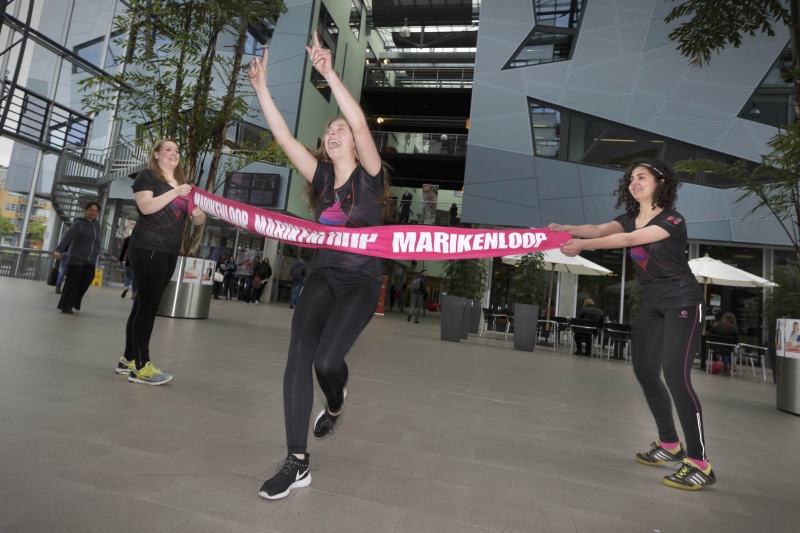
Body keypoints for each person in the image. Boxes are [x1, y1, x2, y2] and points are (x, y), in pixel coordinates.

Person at [248, 32, 391, 500]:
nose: (333, 133)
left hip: (362, 281)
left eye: (340, 129)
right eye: (329, 130)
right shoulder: (322, 176)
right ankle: (297, 460)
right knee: (298, 356)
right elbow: (285, 138)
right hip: (325, 274)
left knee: (329, 361)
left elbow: (364, 128)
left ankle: (335, 398)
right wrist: (262, 90)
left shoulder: (370, 177)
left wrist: (329, 74)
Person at [549, 159, 715, 490]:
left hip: (682, 302)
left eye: (642, 177)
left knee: (676, 377)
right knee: (644, 371)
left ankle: (699, 462)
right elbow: (598, 230)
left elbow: (627, 241)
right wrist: (562, 230)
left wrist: (582, 246)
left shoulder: (671, 219)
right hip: (652, 303)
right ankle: (669, 444)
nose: (634, 183)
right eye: (631, 179)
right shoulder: (628, 218)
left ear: (660, 182)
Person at [114, 139, 206, 385]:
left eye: (177, 151)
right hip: (147, 247)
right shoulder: (148, 176)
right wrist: (176, 192)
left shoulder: (182, 185)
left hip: (168, 250)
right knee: (148, 306)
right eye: (168, 150)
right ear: (156, 155)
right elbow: (146, 207)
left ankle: (128, 360)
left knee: (143, 304)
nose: (174, 154)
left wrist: (197, 215)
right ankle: (141, 368)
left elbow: (197, 221)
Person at [55, 202, 102, 314]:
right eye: (91, 210)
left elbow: (97, 240)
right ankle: (66, 306)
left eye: (96, 211)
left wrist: (98, 251)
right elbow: (68, 236)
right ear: (86, 211)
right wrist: (59, 250)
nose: (93, 213)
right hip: (76, 255)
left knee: (88, 278)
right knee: (73, 282)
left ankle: (76, 300)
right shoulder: (78, 223)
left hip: (90, 258)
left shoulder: (97, 225)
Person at [710, 312, 738, 376]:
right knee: (726, 351)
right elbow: (736, 341)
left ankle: (726, 369)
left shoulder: (716, 325)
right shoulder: (734, 328)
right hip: (729, 347)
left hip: (715, 346)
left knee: (724, 351)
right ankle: (728, 368)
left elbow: (711, 335)